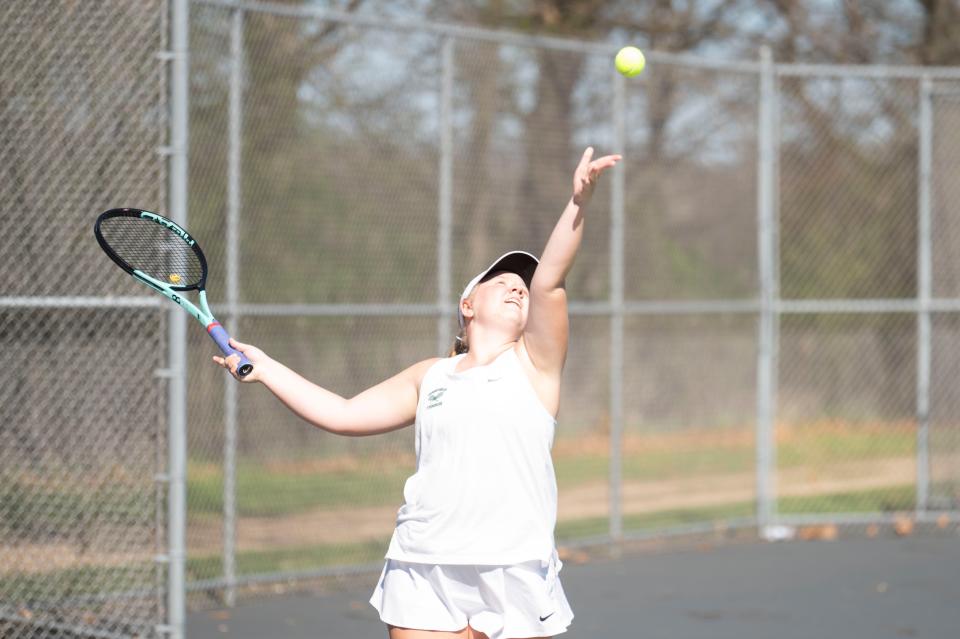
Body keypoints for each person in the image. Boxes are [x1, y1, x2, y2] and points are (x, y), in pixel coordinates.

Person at [214, 147, 622, 639]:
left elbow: (552, 281)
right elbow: (343, 414)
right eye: (506, 282)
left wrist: (578, 202)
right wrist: (268, 369)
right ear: (467, 304)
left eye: (525, 288)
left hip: (513, 562)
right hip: (423, 560)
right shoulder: (430, 376)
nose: (521, 290)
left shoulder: (536, 364)